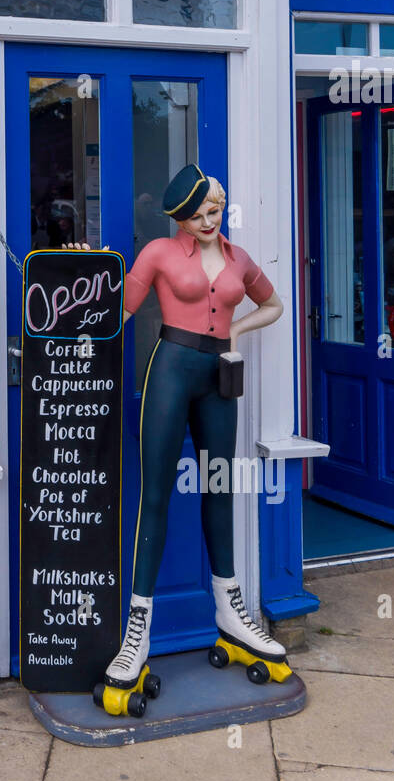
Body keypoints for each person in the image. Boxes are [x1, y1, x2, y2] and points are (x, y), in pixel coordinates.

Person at [68, 164, 287, 707]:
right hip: (169, 369)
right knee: (157, 495)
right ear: (182, 215)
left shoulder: (239, 259)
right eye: (202, 209)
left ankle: (229, 609)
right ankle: (137, 631)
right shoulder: (159, 255)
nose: (212, 216)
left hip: (220, 377)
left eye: (217, 206)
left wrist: (236, 330)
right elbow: (119, 309)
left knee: (220, 487)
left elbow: (274, 304)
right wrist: (86, 268)